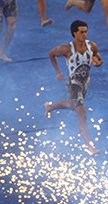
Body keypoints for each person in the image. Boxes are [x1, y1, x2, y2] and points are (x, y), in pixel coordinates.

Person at [44, 20, 103, 155]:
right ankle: (90, 146)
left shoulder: (92, 46)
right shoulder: (67, 49)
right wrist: (58, 71)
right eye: (81, 32)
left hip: (85, 84)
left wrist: (98, 62)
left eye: (86, 31)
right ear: (74, 33)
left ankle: (50, 106)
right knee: (81, 112)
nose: (84, 34)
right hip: (73, 84)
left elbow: (99, 59)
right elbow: (51, 54)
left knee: (72, 105)